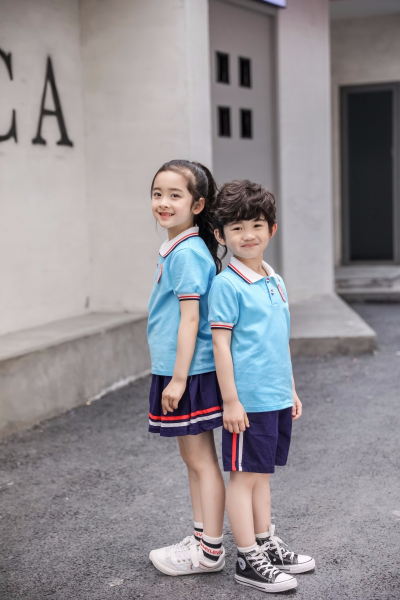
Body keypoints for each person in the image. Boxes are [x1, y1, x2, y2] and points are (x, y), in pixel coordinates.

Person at [208, 180, 315, 593]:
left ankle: (265, 542)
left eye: (256, 225)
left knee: (261, 475)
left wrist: (291, 388)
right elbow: (220, 344)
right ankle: (247, 558)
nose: (248, 235)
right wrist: (231, 401)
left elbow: (278, 340)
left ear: (272, 229)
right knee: (244, 478)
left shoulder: (275, 279)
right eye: (236, 228)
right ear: (221, 235)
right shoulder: (227, 284)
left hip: (274, 396)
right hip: (247, 402)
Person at [147, 160, 226, 576]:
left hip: (190, 372)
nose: (163, 202)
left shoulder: (188, 254)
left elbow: (191, 319)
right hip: (180, 369)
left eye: (174, 195)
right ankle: (201, 539)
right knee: (192, 459)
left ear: (197, 205)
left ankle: (210, 551)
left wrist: (178, 379)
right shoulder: (179, 249)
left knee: (201, 461)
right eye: (157, 194)